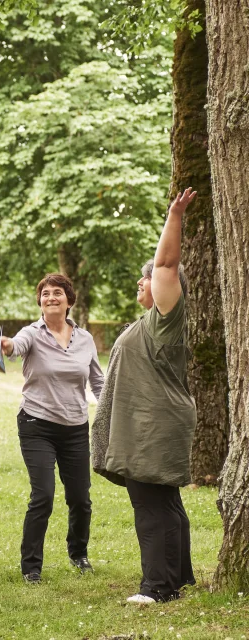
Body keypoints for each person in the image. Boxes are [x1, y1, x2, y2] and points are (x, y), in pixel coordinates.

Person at [92, 188, 198, 604]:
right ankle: (179, 580)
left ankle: (156, 587)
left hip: (154, 426)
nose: (143, 279)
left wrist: (174, 216)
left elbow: (168, 263)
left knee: (151, 508)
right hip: (150, 424)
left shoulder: (165, 320)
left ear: (165, 286)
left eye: (148, 276)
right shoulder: (148, 323)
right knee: (166, 505)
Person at [0, 274, 104, 584]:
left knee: (80, 498)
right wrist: (6, 345)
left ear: (69, 300)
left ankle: (78, 553)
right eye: (45, 293)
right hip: (37, 424)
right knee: (43, 495)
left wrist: (113, 411)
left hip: (75, 426)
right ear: (40, 302)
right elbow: (16, 346)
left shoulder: (84, 339)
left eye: (57, 293)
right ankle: (31, 566)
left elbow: (97, 381)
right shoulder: (32, 333)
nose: (51, 297)